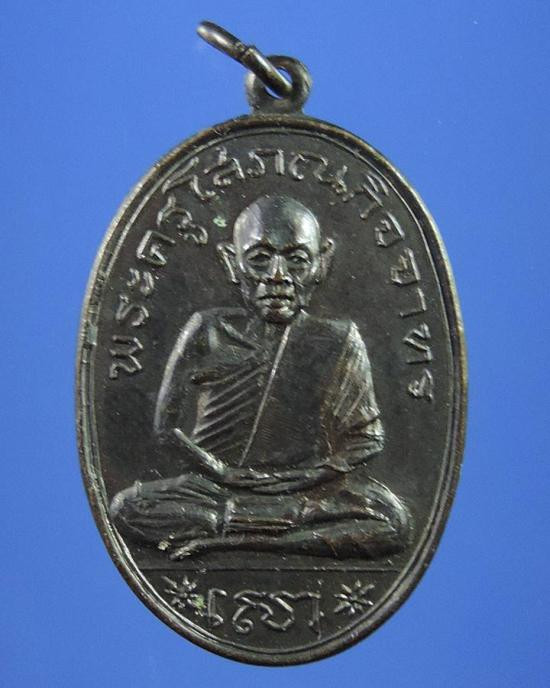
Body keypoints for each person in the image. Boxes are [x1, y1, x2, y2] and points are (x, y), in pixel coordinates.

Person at [111, 195, 410, 559]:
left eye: (296, 260)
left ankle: (240, 533)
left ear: (322, 262)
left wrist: (305, 477)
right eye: (259, 259)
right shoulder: (208, 328)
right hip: (215, 488)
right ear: (231, 261)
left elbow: (366, 439)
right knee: (127, 507)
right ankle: (275, 527)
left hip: (304, 490)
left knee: (394, 520)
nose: (278, 276)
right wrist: (223, 473)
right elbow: (166, 429)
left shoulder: (338, 338)